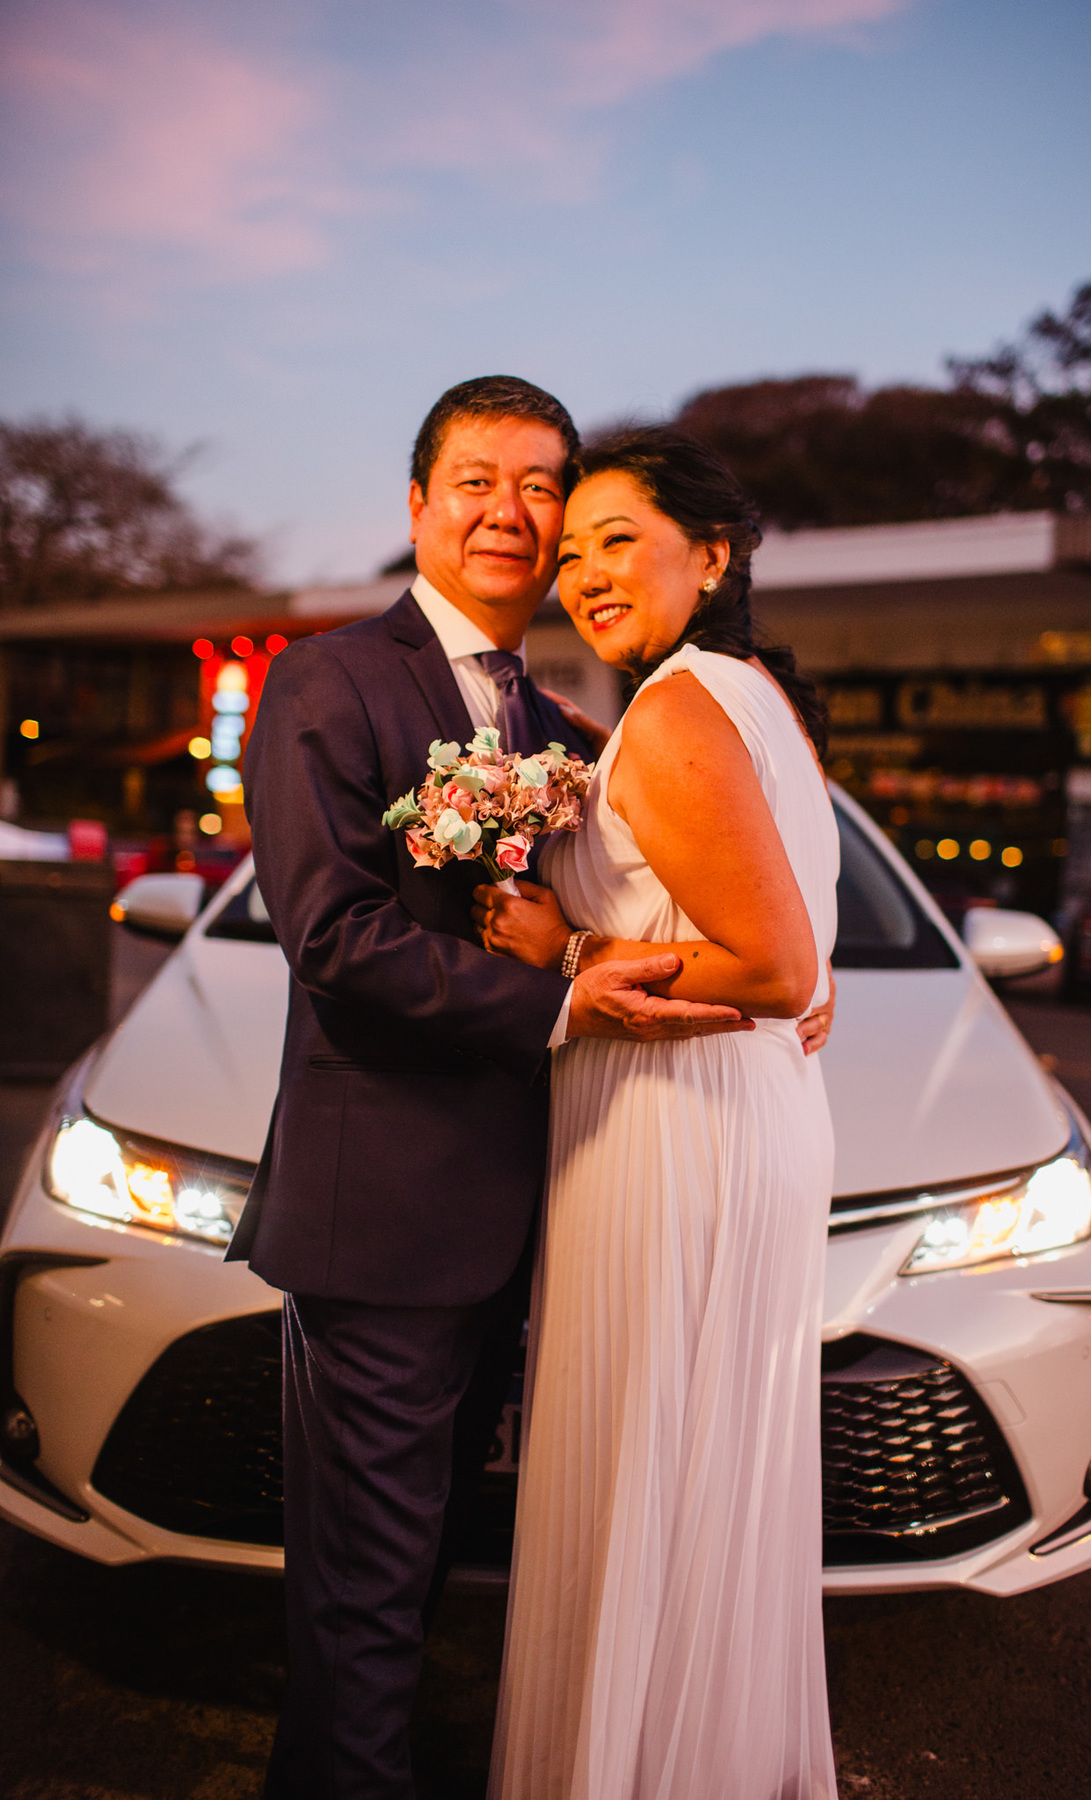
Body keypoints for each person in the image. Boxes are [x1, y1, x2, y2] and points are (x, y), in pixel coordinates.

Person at [227, 378, 758, 1800]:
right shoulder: (331, 680)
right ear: (418, 506)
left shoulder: (572, 732)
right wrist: (564, 998)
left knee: (424, 1577)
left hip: (549, 1222)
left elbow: (658, 909)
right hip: (390, 1221)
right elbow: (336, 937)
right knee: (366, 1588)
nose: (510, 512)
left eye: (541, 486)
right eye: (477, 479)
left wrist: (775, 982)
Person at [476, 426, 841, 1800]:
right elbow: (792, 940)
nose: (583, 573)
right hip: (737, 1113)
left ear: (716, 554)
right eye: (570, 553)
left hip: (675, 1128)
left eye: (617, 541)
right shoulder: (753, 700)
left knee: (642, 1469)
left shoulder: (685, 707)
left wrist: (561, 949)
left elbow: (774, 966)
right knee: (703, 1481)